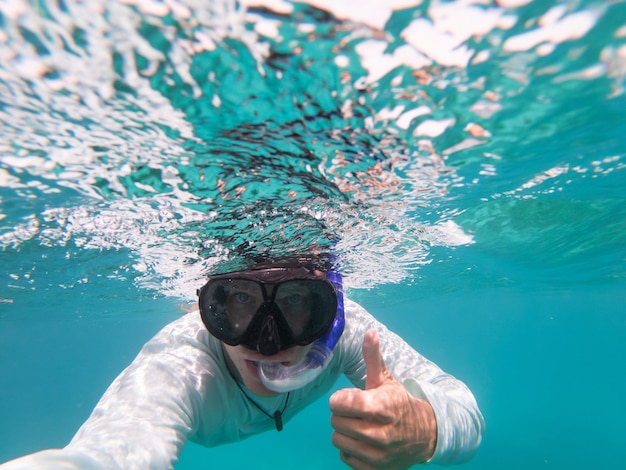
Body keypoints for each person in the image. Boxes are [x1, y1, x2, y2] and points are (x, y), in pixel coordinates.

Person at [0, 256, 484, 469]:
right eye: (237, 302)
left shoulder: (352, 333)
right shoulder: (180, 364)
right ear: (207, 309)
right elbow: (106, 456)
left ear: (330, 312)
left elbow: (465, 410)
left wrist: (423, 425)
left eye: (298, 301)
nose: (269, 342)